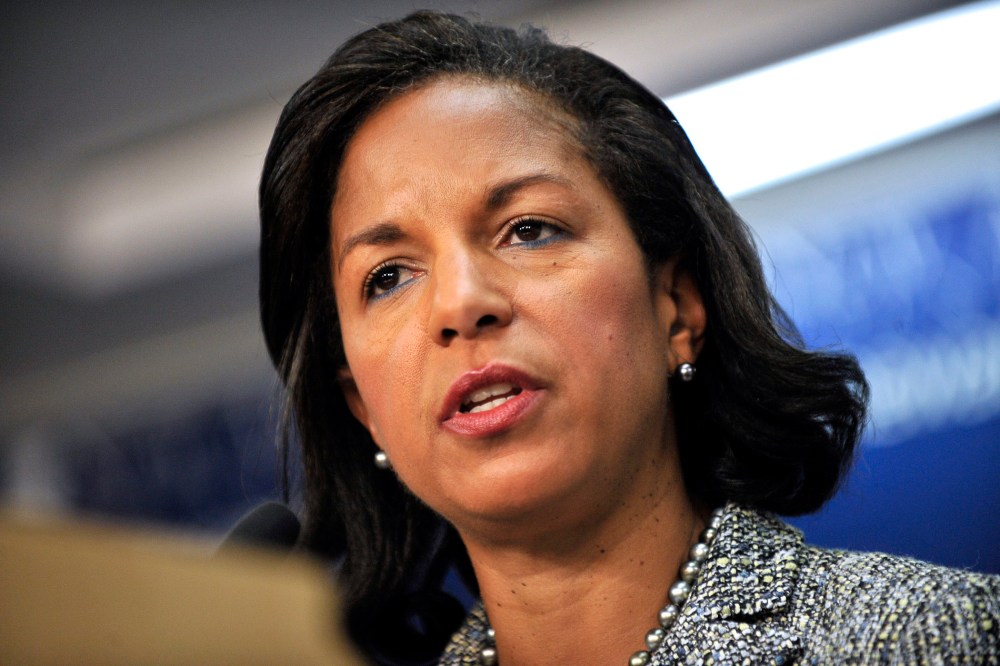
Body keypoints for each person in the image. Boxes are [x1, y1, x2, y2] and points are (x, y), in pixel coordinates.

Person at [258, 11, 999, 666]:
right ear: (361, 405)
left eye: (528, 230)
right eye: (387, 276)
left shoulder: (948, 637)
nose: (460, 304)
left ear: (676, 306)